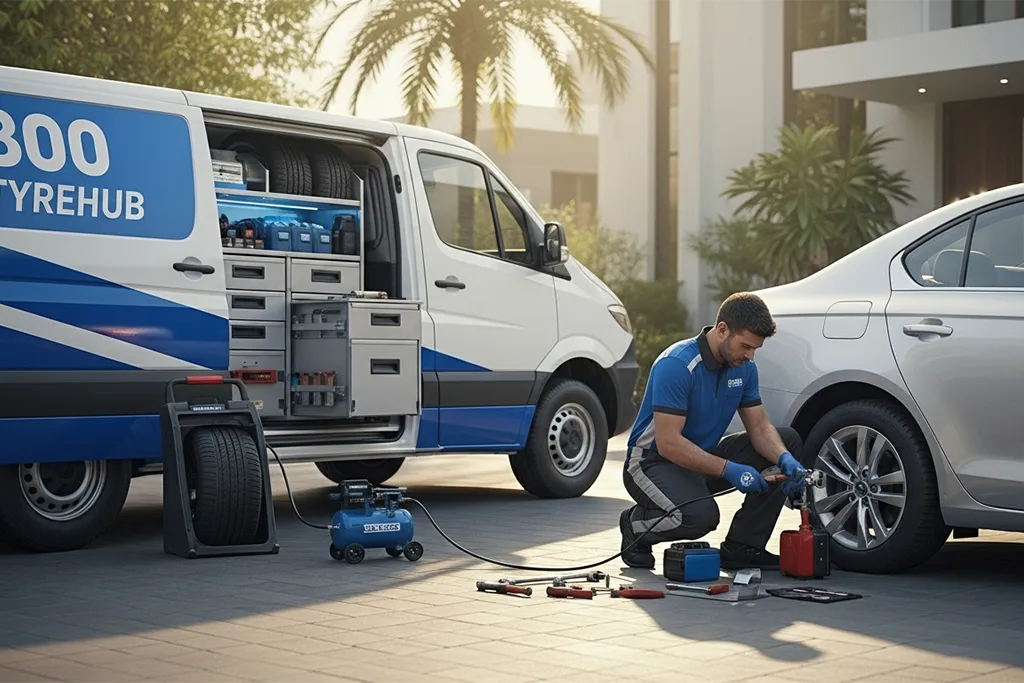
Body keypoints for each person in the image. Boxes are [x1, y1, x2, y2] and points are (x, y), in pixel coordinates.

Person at [619, 292, 806, 570]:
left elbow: (758, 426)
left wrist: (784, 459)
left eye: (755, 349)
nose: (750, 355)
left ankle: (744, 546)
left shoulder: (744, 368)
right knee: (699, 517)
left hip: (699, 458)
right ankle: (636, 524)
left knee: (786, 441)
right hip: (651, 462)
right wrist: (730, 470)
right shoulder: (677, 364)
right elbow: (669, 443)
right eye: (745, 346)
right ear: (722, 330)